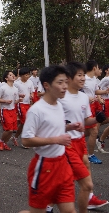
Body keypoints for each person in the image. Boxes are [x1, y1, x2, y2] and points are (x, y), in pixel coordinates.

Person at [18, 65, 77, 213]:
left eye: (65, 82)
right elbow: (26, 140)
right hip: (44, 167)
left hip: (62, 165)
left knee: (69, 210)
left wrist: (71, 127)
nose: (65, 86)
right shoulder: (37, 110)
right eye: (60, 82)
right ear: (46, 85)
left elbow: (53, 128)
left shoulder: (59, 105)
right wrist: (56, 140)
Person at [55, 62, 108, 213]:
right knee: (71, 179)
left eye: (84, 75)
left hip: (79, 141)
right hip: (66, 143)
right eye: (79, 75)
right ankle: (48, 201)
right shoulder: (60, 98)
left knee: (85, 166)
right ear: (69, 78)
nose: (83, 78)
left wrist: (98, 119)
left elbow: (86, 121)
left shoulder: (84, 97)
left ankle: (89, 198)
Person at [82, 60, 109, 164]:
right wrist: (86, 97)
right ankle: (90, 155)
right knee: (93, 131)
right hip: (85, 106)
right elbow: (75, 91)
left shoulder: (94, 79)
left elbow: (95, 91)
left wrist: (106, 91)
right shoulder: (83, 79)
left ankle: (72, 139)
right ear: (94, 68)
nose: (100, 70)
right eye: (99, 68)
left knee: (93, 130)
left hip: (93, 105)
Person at [0, 71, 21, 150]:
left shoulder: (16, 89)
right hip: (5, 110)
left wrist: (19, 100)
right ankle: (0, 141)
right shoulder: (3, 88)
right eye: (10, 75)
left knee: (12, 130)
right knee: (8, 129)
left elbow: (15, 101)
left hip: (12, 110)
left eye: (13, 75)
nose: (13, 76)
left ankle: (4, 143)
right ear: (6, 78)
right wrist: (5, 101)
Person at [12, 67, 35, 148]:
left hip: (27, 104)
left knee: (23, 123)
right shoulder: (16, 83)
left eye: (28, 74)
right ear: (21, 75)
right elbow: (13, 94)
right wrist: (19, 96)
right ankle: (25, 141)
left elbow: (32, 92)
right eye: (26, 75)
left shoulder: (30, 82)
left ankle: (15, 137)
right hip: (20, 104)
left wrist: (32, 96)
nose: (28, 76)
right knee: (26, 122)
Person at [96, 64, 109, 149]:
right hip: (106, 101)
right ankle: (94, 127)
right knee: (105, 119)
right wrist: (100, 98)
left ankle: (101, 138)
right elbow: (97, 88)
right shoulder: (105, 79)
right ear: (106, 70)